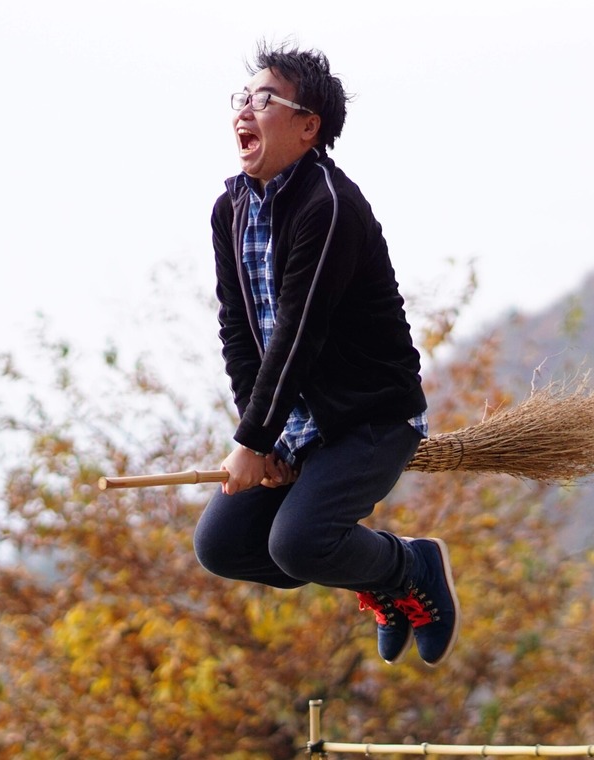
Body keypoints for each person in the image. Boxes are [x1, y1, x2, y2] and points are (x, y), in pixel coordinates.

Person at [192, 42, 460, 667]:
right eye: (243, 99)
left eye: (265, 100)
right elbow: (240, 332)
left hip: (368, 418)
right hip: (295, 424)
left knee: (300, 545)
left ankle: (407, 568)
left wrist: (254, 441)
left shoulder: (330, 206)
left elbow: (297, 334)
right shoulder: (229, 210)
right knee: (223, 547)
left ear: (308, 126)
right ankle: (380, 579)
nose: (245, 112)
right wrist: (267, 444)